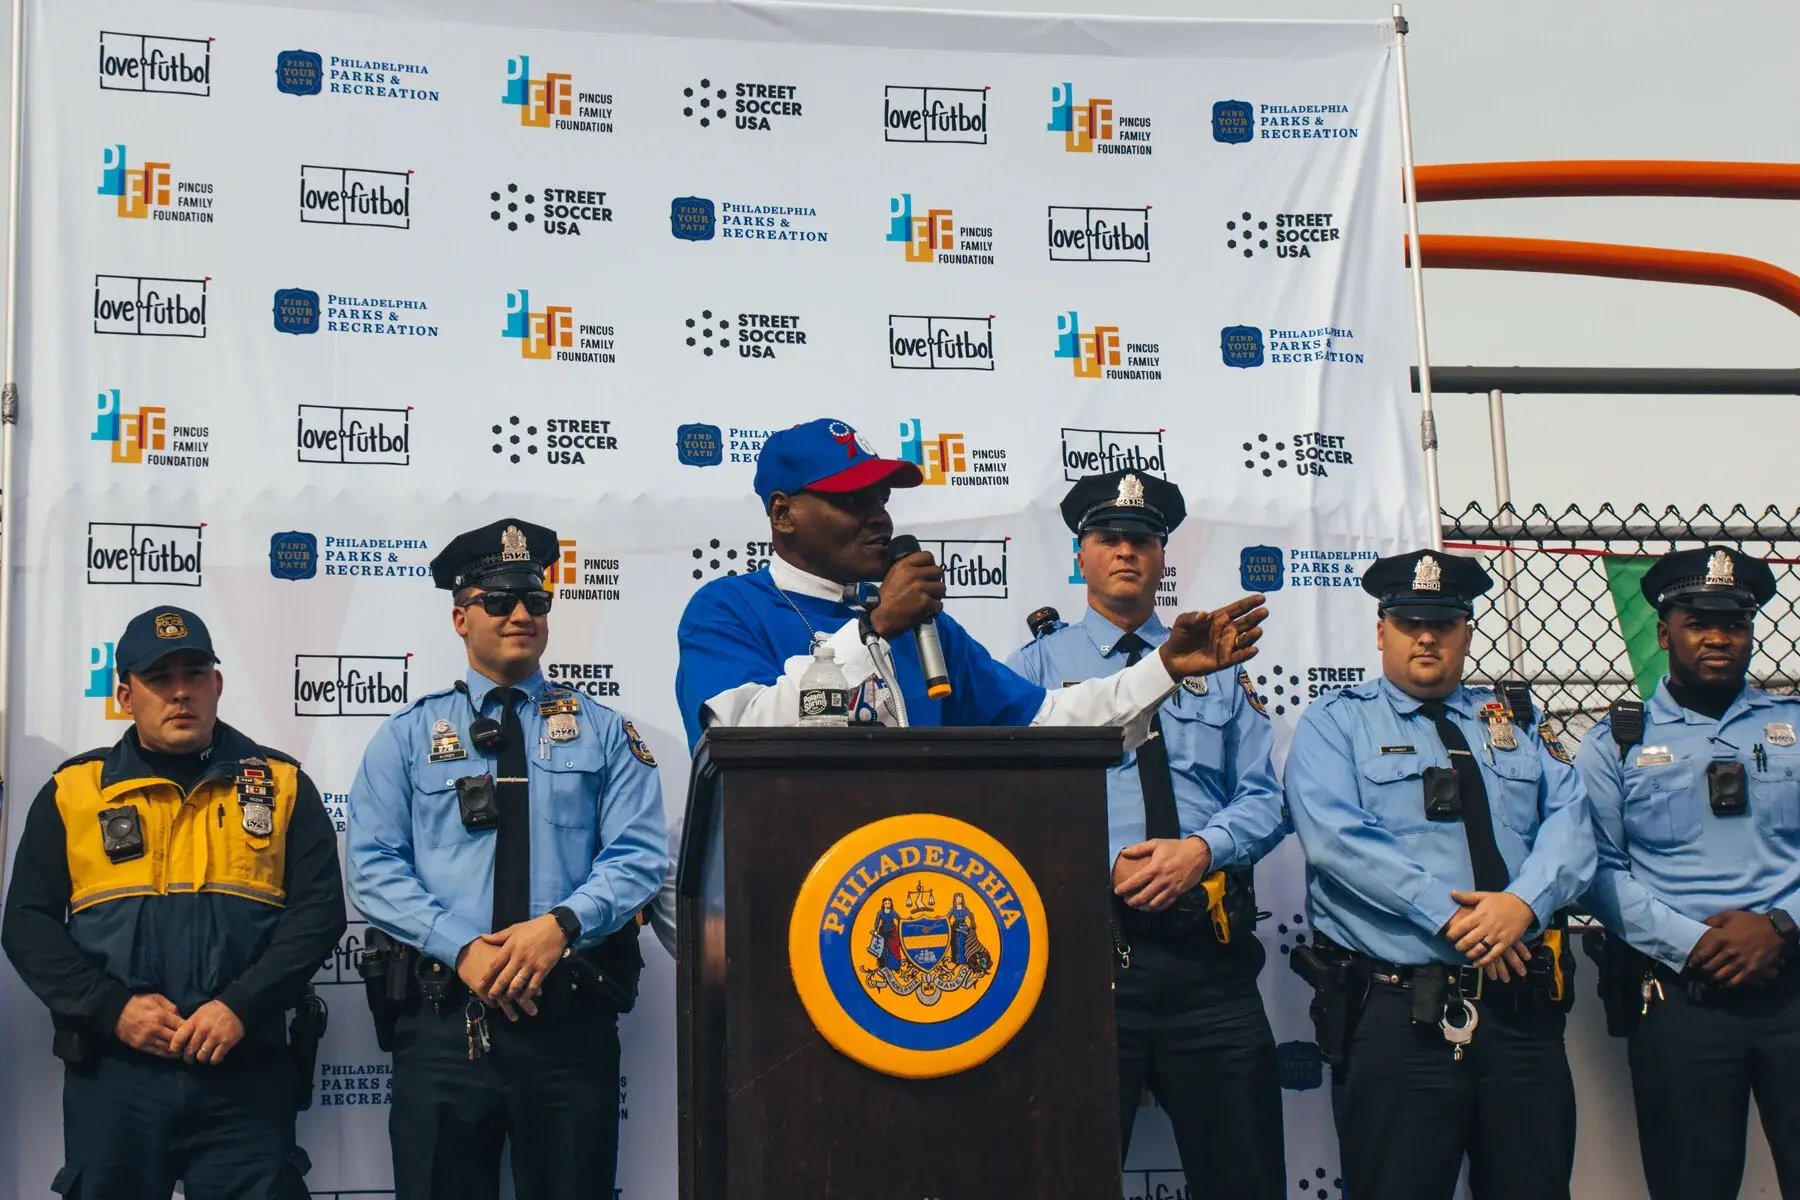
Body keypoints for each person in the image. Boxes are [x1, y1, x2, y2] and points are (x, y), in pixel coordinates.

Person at [660, 417, 1267, 953]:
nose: (879, 517)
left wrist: (1162, 667)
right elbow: (740, 735)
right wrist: (873, 631)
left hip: (913, 908)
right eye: (851, 500)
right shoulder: (728, 608)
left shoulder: (926, 628)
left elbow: (1050, 723)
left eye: (882, 498)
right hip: (788, 917)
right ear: (783, 513)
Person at [346, 518, 666, 1200]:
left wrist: (560, 926)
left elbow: (638, 857)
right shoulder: (406, 738)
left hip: (568, 1026)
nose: (521, 613)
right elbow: (373, 866)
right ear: (461, 617)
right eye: (498, 601)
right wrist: (463, 948)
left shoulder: (607, 733)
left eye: (535, 600)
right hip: (442, 1027)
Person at [2, 605, 344, 1200]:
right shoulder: (74, 792)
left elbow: (317, 916)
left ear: (217, 685)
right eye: (160, 678)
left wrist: (241, 1005)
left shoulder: (282, 784)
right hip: (116, 1078)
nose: (180, 692)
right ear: (126, 695)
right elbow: (27, 925)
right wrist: (112, 1009)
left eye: (194, 672)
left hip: (244, 1074)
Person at [1007, 470, 1286, 1198]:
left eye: (1143, 539)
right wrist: (1097, 867)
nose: (1126, 551)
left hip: (1210, 963)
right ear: (1081, 555)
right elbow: (1008, 810)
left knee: (1245, 1179)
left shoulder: (1221, 663)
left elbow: (1263, 801)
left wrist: (1200, 850)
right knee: (1066, 1175)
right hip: (1083, 962)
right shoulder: (1034, 671)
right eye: (1108, 538)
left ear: (1164, 558)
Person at [1283, 550, 1595, 1200]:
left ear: (1466, 632)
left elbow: (1571, 821)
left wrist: (1522, 907)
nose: (1426, 636)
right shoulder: (1334, 723)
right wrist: (1456, 918)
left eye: (1444, 622)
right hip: (1401, 1018)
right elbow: (1337, 841)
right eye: (1408, 621)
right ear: (1381, 631)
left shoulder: (1511, 724)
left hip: (1521, 1016)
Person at [1576, 545, 1800, 1199]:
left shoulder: (1793, 726)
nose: (1717, 638)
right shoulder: (1617, 741)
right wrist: (1694, 942)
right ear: (1663, 631)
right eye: (1698, 623)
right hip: (1681, 996)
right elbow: (1598, 870)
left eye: (1733, 624)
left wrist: (1782, 926)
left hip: (1793, 983)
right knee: (1690, 1184)